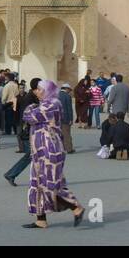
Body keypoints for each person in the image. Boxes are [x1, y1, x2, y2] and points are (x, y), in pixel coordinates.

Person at [21, 80, 84, 230]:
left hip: (50, 149)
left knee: (51, 184)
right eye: (37, 90)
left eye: (40, 90)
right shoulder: (45, 104)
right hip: (39, 150)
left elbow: (30, 117)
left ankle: (76, 207)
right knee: (37, 184)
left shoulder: (52, 104)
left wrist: (30, 106)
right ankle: (40, 219)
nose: (37, 92)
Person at [4, 78, 42, 186]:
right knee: (34, 155)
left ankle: (11, 174)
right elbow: (27, 116)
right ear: (36, 88)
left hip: (34, 131)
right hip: (31, 131)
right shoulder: (29, 98)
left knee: (34, 156)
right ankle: (11, 174)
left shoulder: (33, 96)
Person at [58, 82, 76, 154]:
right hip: (65, 118)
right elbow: (69, 109)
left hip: (57, 118)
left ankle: (60, 148)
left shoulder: (56, 95)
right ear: (66, 89)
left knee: (59, 134)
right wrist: (71, 119)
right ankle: (69, 149)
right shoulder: (67, 96)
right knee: (67, 134)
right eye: (69, 89)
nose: (70, 91)